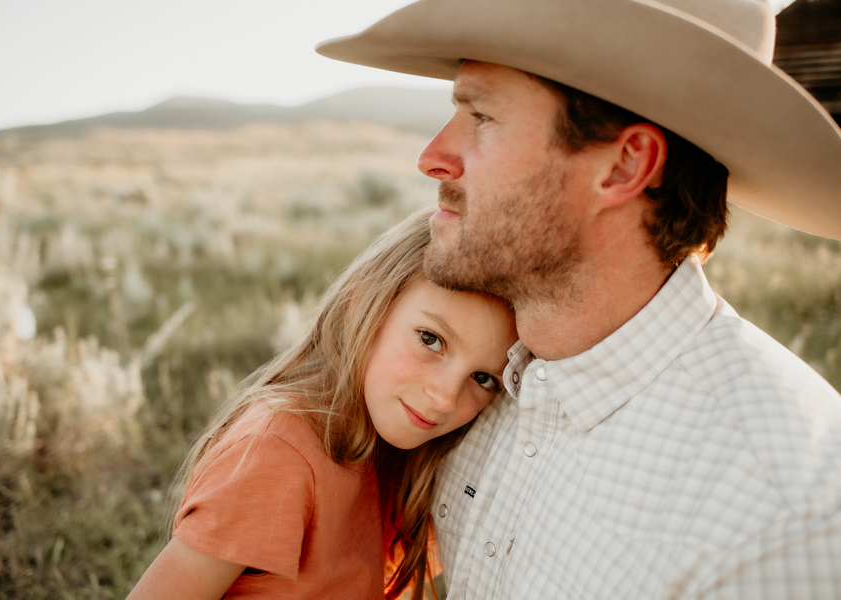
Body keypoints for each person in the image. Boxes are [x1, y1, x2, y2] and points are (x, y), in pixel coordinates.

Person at [317, 0, 841, 597]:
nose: (432, 156)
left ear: (624, 166)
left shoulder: (779, 522)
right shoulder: (477, 377)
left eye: (481, 117)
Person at [127, 207, 518, 600]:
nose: (446, 398)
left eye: (483, 378)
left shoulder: (401, 457)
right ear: (364, 302)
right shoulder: (280, 452)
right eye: (430, 339)